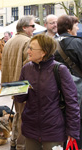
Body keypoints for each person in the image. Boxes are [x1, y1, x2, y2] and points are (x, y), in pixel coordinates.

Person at [14, 34, 80, 150]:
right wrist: (16, 90)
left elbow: (72, 102)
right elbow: (20, 99)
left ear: (43, 52)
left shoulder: (60, 70)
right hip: (31, 128)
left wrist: (73, 130)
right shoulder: (27, 68)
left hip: (53, 130)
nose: (28, 51)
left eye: (31, 48)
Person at [1, 16, 36, 150]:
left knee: (19, 115)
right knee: (24, 117)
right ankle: (20, 145)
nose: (34, 28)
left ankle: (14, 142)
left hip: (11, 86)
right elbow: (30, 66)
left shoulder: (9, 41)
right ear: (24, 27)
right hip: (22, 86)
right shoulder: (28, 41)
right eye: (32, 26)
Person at [55, 14, 82, 149]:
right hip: (77, 91)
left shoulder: (52, 42)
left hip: (57, 91)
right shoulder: (77, 43)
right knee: (77, 123)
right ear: (69, 28)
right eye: (76, 24)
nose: (77, 27)